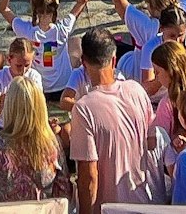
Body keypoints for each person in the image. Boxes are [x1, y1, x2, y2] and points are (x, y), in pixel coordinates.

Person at [66, 30, 160, 210]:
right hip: (141, 204)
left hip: (108, 208)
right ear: (114, 60)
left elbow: (88, 176)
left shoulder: (83, 109)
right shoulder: (137, 91)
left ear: (84, 63)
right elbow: (152, 142)